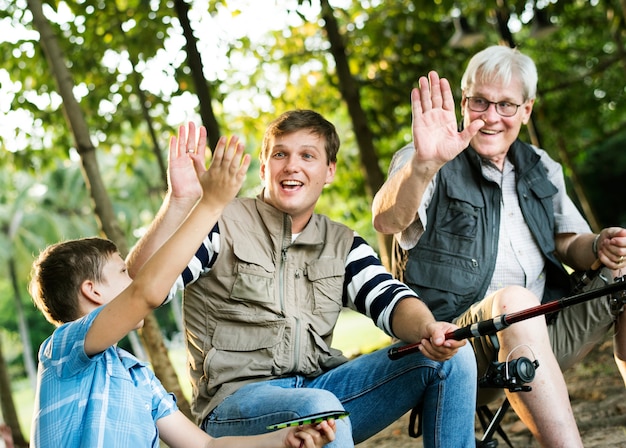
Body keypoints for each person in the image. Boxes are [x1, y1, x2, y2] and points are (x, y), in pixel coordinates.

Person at [126, 116, 477, 447]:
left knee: (454, 357)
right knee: (320, 407)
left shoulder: (342, 242)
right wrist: (179, 202)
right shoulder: (220, 223)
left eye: (307, 155)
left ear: (329, 171)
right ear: (264, 168)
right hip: (234, 406)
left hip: (322, 388)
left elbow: (390, 298)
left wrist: (430, 328)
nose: (292, 165)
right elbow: (140, 287)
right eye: (280, 154)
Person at [371, 44, 626, 448]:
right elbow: (387, 220)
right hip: (458, 348)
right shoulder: (427, 157)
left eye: (506, 105)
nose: (491, 117)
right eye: (480, 102)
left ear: (527, 110)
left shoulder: (540, 166)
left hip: (547, 331)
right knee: (515, 301)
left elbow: (567, 242)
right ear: (463, 100)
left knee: (624, 275)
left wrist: (598, 245)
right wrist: (423, 164)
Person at [28, 127, 336, 448]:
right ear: (92, 290)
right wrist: (211, 205)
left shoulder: (139, 377)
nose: (134, 276)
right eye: (122, 271)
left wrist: (285, 439)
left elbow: (206, 446)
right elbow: (145, 292)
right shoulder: (63, 350)